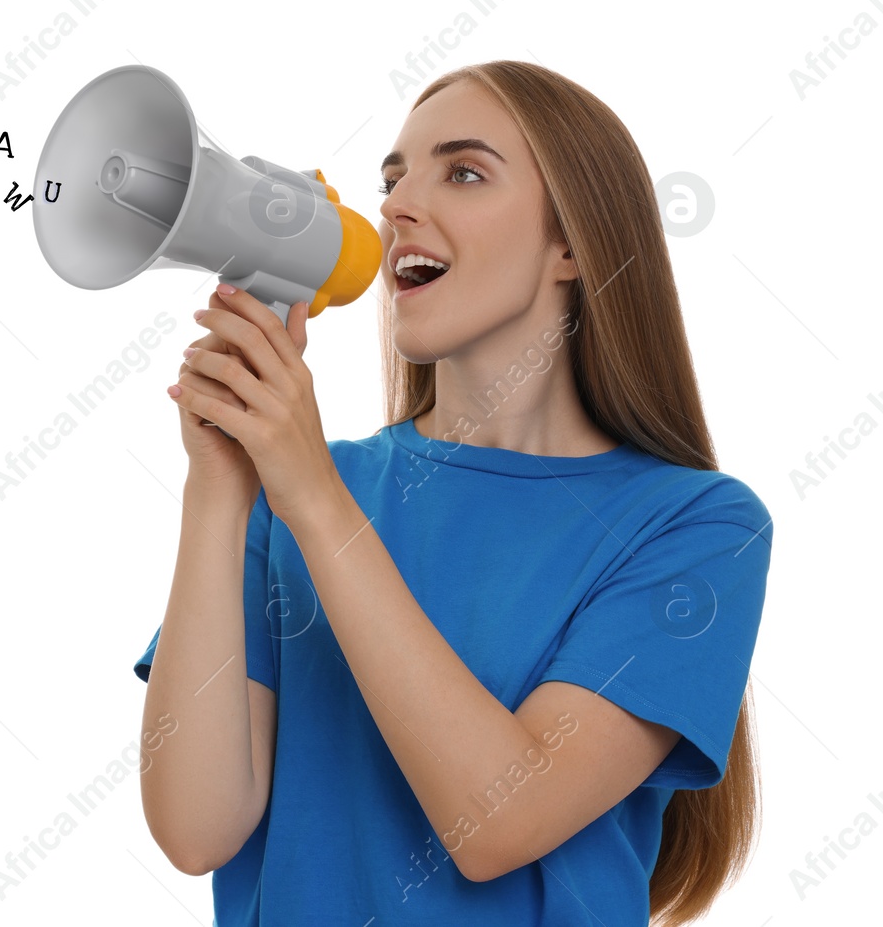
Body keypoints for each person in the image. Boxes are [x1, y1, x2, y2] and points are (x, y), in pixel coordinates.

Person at [134, 60, 771, 926]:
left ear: (572, 246)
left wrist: (310, 496)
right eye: (392, 178)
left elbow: (497, 819)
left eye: (463, 172)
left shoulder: (696, 527)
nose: (395, 207)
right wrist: (218, 490)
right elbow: (196, 829)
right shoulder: (286, 488)